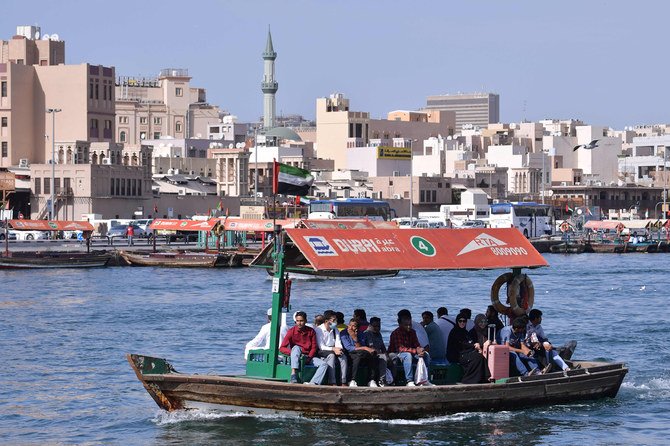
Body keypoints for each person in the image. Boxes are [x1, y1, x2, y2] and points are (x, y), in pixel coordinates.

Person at [279, 311, 329, 385]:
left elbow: (313, 347)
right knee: (296, 348)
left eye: (301, 321)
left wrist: (309, 358)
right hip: (297, 356)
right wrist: (292, 353)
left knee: (324, 364)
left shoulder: (311, 331)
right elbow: (282, 348)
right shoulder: (291, 331)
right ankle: (293, 374)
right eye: (297, 321)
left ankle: (313, 383)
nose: (299, 323)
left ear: (305, 321)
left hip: (308, 356)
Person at [388, 311, 431, 386]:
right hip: (396, 354)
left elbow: (417, 344)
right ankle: (409, 380)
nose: (408, 327)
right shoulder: (396, 333)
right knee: (407, 355)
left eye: (410, 325)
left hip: (410, 352)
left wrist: (420, 350)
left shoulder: (412, 332)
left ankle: (425, 379)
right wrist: (415, 350)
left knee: (426, 355)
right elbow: (400, 349)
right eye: (406, 325)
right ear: (400, 324)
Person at [447, 313, 490, 384]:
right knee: (477, 357)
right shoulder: (454, 332)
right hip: (456, 354)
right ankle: (468, 379)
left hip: (465, 353)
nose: (462, 323)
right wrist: (474, 345)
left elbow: (469, 343)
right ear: (457, 322)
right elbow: (461, 344)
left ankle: (485, 377)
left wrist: (475, 347)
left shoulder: (465, 332)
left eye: (464, 321)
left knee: (480, 356)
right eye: (460, 321)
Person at [526, 309, 572, 373]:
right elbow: (526, 339)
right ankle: (546, 366)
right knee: (544, 350)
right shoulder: (526, 325)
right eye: (540, 317)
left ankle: (566, 368)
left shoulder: (539, 327)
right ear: (536, 318)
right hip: (528, 346)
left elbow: (544, 338)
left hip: (538, 345)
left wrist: (546, 344)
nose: (541, 319)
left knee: (552, 351)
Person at [340, 318, 379, 387]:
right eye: (350, 325)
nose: (351, 328)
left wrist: (355, 338)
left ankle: (371, 380)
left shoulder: (361, 334)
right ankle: (352, 380)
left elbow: (360, 346)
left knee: (372, 355)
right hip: (348, 353)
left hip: (359, 352)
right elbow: (348, 348)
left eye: (354, 326)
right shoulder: (343, 333)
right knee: (358, 356)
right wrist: (365, 348)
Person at [315, 311, 348, 385]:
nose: (335, 322)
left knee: (343, 357)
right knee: (331, 356)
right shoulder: (319, 330)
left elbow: (338, 341)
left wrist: (338, 349)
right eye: (333, 320)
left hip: (334, 349)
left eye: (335, 320)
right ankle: (332, 381)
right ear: (326, 321)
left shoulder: (335, 329)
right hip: (323, 351)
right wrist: (333, 349)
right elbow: (321, 346)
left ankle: (343, 381)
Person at [364, 316, 390, 386]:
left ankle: (392, 380)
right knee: (383, 357)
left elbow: (383, 347)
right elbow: (371, 347)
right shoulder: (367, 333)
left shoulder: (379, 334)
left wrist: (387, 355)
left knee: (392, 358)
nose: (377, 328)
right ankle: (381, 380)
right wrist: (383, 355)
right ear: (370, 325)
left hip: (379, 353)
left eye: (379, 326)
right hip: (370, 354)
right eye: (375, 326)